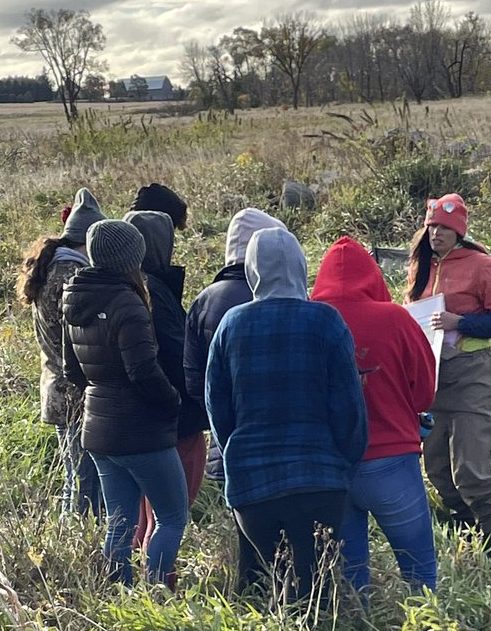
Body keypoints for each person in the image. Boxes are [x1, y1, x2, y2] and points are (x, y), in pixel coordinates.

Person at [205, 227, 368, 604]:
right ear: (299, 265)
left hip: (252, 483)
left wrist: (237, 455)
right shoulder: (325, 321)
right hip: (319, 478)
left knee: (261, 592)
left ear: (251, 270)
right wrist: (345, 461)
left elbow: (217, 407)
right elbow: (348, 405)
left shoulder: (231, 324)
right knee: (317, 599)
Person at [62, 219, 188, 586]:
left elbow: (74, 371)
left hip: (97, 428)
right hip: (140, 430)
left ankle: (119, 593)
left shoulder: (74, 298)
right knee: (172, 517)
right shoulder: (128, 304)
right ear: (131, 257)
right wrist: (173, 403)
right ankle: (158, 593)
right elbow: (143, 372)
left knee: (119, 520)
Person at [312, 236, 437, 597]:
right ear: (373, 277)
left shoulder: (311, 319)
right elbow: (424, 393)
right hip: (392, 461)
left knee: (351, 576)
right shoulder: (396, 319)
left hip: (332, 464)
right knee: (420, 572)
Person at [405, 193, 491, 547]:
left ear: (459, 231)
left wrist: (461, 322)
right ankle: (473, 538)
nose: (436, 233)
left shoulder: (481, 265)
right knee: (437, 468)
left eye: (444, 227)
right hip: (431, 374)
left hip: (470, 374)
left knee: (473, 470)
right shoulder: (420, 265)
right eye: (432, 226)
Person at [16, 187, 105, 517]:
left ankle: (74, 548)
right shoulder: (72, 275)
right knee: (84, 484)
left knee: (75, 479)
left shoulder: (51, 268)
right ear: (87, 241)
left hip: (56, 388)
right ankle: (84, 551)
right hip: (75, 393)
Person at [184, 208, 287, 482]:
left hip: (228, 446)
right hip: (286, 446)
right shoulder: (283, 297)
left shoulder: (203, 300)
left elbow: (196, 384)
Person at [124, 209, 207, 549]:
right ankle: (159, 589)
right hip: (175, 420)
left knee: (145, 515)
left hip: (134, 420)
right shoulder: (152, 290)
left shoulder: (126, 285)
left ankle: (138, 583)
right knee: (169, 516)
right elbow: (175, 353)